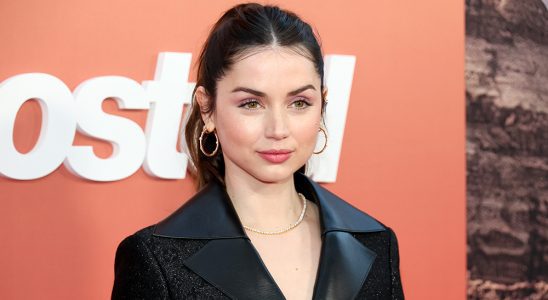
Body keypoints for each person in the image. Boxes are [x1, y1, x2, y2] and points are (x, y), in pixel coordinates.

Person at [111, 3, 404, 299]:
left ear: (322, 104)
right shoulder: (155, 258)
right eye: (251, 104)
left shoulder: (376, 243)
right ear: (206, 108)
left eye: (299, 103)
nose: (278, 129)